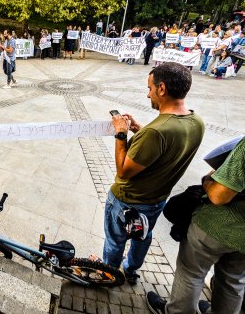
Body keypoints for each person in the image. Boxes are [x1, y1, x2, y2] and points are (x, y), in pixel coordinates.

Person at [102, 62, 204, 285]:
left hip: (126, 201)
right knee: (142, 237)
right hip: (156, 201)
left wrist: (121, 135)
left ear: (162, 89)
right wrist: (139, 130)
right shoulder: (196, 121)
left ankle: (109, 273)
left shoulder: (156, 132)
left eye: (149, 88)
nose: (147, 94)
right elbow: (166, 147)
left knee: (115, 240)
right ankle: (130, 270)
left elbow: (124, 171)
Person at [147, 137, 245, 314]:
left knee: (191, 273)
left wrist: (208, 179)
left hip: (218, 227)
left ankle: (176, 311)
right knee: (233, 281)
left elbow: (219, 196)